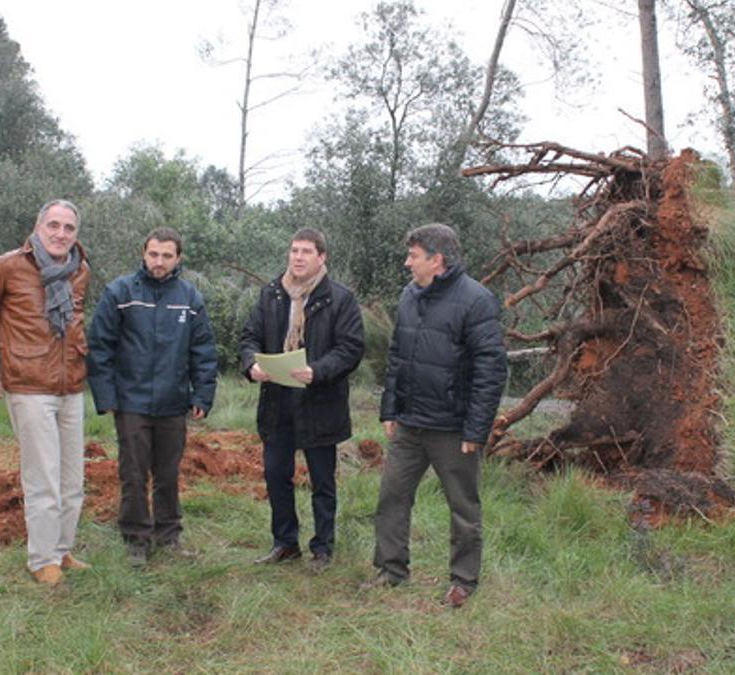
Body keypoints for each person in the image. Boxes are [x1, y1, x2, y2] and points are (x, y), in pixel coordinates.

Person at [367, 223, 508, 608]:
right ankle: (391, 570)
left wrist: (476, 429)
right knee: (392, 498)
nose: (407, 262)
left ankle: (463, 581)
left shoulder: (477, 300)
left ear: (437, 259)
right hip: (410, 423)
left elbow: (490, 370)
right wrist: (390, 408)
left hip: (453, 427)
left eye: (413, 256)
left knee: (463, 507)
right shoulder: (409, 296)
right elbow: (397, 357)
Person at [0, 199, 91, 586]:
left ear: (76, 234)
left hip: (71, 386)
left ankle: (63, 549)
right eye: (53, 225)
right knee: (43, 478)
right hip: (29, 385)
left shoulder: (80, 270)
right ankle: (42, 559)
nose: (60, 234)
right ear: (38, 227)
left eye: (68, 228)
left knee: (73, 479)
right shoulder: (8, 266)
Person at [87, 228, 218, 567]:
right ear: (144, 253)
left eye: (166, 256)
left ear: (178, 258)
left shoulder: (189, 298)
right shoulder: (120, 292)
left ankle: (169, 535)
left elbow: (203, 351)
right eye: (153, 254)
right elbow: (100, 345)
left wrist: (202, 395)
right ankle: (136, 540)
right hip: (131, 401)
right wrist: (107, 396)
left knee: (168, 473)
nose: (159, 262)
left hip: (174, 402)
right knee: (132, 472)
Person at [239, 228, 365, 571]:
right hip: (277, 400)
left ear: (321, 257)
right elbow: (249, 336)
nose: (297, 257)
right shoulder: (272, 294)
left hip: (320, 402)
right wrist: (252, 365)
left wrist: (318, 370)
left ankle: (322, 548)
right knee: (276, 475)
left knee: (322, 481)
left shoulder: (340, 298)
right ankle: (285, 543)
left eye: (306, 251)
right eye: (294, 250)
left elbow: (351, 348)